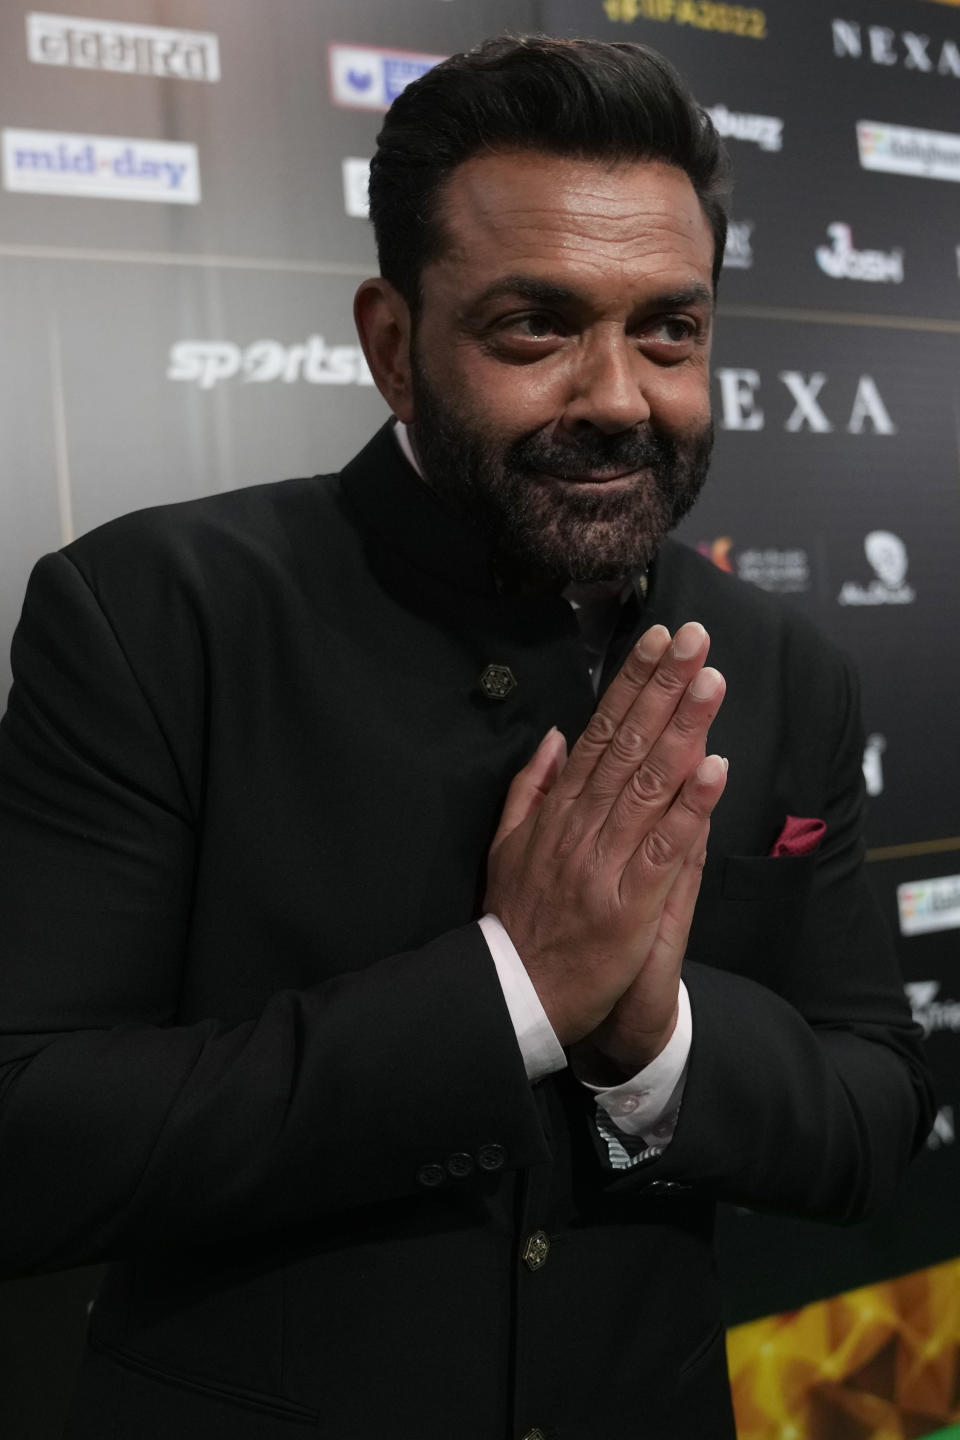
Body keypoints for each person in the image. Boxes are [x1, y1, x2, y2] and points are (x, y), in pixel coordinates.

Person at [0, 34, 932, 1440]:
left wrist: (656, 1040)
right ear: (392, 342)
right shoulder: (154, 614)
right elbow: (29, 1137)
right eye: (536, 329)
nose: (618, 397)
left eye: (668, 329)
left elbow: (874, 1109)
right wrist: (510, 993)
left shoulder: (785, 661)